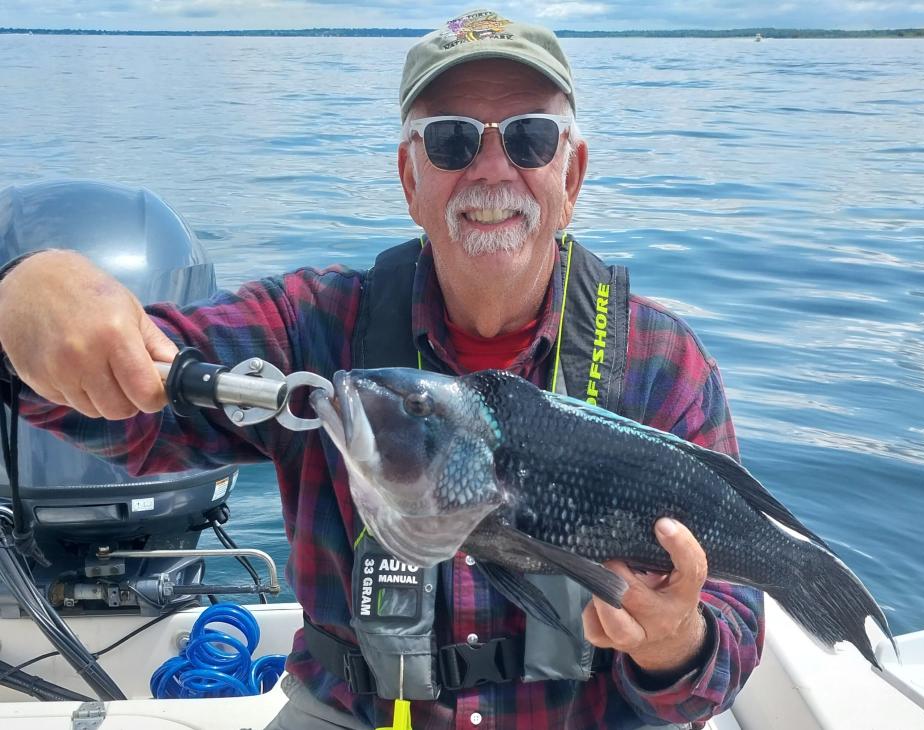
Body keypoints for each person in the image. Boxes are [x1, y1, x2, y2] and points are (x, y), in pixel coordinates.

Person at [0, 10, 762, 730]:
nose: (492, 168)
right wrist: (26, 296)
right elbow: (128, 396)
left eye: (529, 138)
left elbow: (728, 635)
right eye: (452, 142)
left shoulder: (660, 361)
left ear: (573, 175)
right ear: (409, 178)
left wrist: (673, 643)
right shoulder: (312, 327)